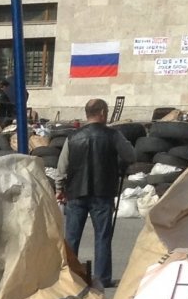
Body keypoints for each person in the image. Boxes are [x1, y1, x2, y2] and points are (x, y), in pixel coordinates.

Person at [54, 98, 135, 289]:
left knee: (72, 237)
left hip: (75, 192)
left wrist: (59, 188)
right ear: (103, 113)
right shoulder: (113, 135)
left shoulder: (72, 137)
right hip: (102, 192)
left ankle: (70, 276)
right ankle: (103, 277)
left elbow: (62, 166)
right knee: (103, 236)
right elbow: (131, 156)